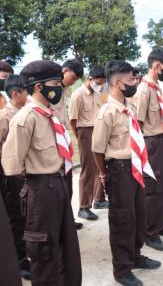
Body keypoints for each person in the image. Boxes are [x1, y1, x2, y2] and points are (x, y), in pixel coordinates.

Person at [2, 60, 82, 285]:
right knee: (44, 251)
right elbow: (12, 166)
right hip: (40, 188)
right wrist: (37, 180)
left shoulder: (49, 113)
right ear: (38, 87)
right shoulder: (25, 118)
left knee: (66, 245)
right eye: (55, 83)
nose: (59, 87)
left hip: (58, 182)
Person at [92, 60, 161, 286]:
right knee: (123, 219)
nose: (134, 82)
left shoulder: (129, 108)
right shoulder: (107, 112)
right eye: (130, 79)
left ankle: (135, 255)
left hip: (135, 166)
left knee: (138, 214)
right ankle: (121, 269)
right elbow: (97, 150)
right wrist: (104, 175)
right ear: (116, 81)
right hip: (119, 169)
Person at [134, 49, 163, 252]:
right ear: (155, 65)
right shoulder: (143, 90)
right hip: (149, 143)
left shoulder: (157, 88)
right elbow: (138, 123)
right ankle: (150, 232)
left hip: (161, 140)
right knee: (153, 189)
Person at [0, 74, 31, 280]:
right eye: (25, 92)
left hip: (25, 172)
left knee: (26, 215)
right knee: (16, 217)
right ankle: (20, 260)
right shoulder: (5, 116)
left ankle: (27, 254)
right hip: (11, 175)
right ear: (15, 94)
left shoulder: (23, 112)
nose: (28, 95)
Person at [69, 65, 108, 222]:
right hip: (85, 132)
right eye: (98, 82)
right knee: (88, 169)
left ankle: (98, 198)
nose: (100, 85)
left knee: (101, 165)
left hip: (99, 130)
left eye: (103, 83)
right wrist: (79, 136)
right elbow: (73, 120)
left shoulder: (100, 94)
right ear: (90, 79)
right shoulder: (77, 95)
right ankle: (84, 206)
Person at [54, 58, 85, 230]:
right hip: (54, 143)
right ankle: (60, 224)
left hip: (63, 140)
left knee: (67, 185)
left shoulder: (63, 90)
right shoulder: (51, 91)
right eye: (72, 77)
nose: (73, 81)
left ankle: (67, 221)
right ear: (64, 71)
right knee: (60, 186)